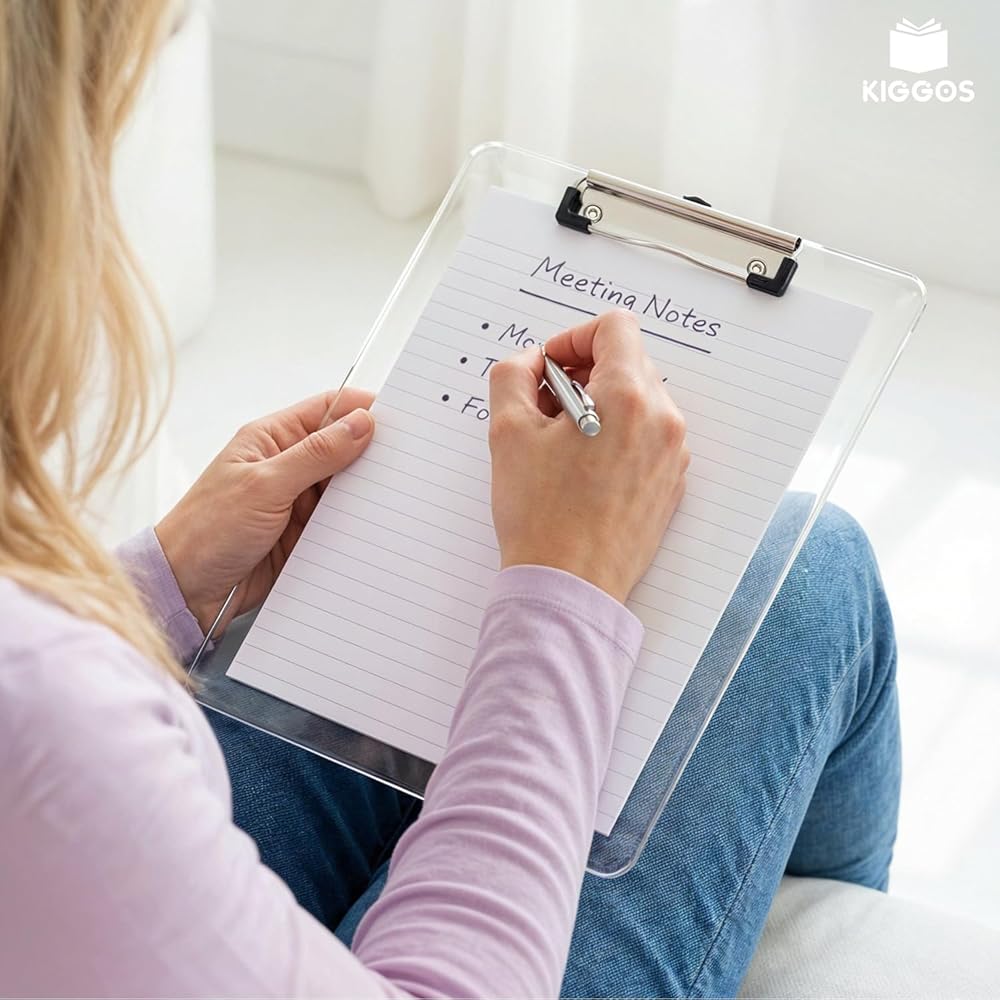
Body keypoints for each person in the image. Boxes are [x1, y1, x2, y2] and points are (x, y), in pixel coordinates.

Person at [0, 2, 900, 996]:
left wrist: (151, 587)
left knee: (358, 648)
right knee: (807, 566)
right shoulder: (54, 723)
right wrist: (567, 586)